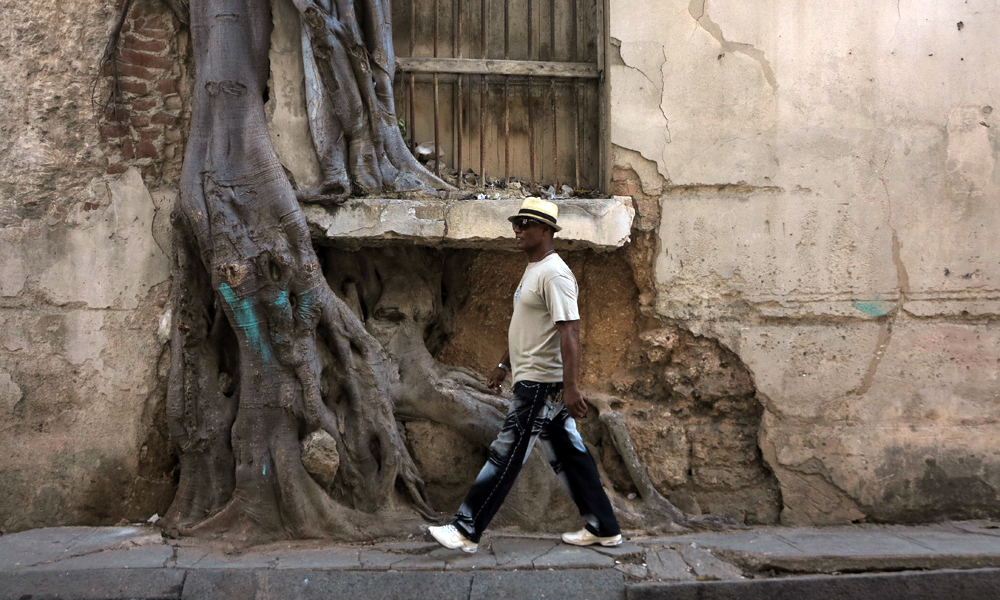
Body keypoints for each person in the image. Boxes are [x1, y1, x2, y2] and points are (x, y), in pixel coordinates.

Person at [428, 197, 622, 553]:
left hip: (540, 385)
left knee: (506, 453)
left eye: (525, 224)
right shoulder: (534, 269)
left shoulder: (555, 273)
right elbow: (530, 328)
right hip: (534, 379)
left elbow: (570, 331)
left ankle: (465, 530)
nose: (516, 229)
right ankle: (604, 527)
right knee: (571, 457)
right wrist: (504, 365)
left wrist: (572, 386)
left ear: (546, 230)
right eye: (515, 223)